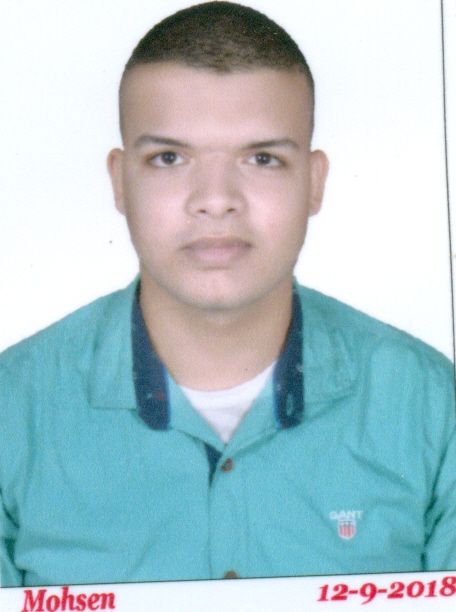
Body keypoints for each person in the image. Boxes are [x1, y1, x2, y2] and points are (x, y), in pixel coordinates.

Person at [1, 0, 455, 588]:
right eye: (169, 158)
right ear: (119, 181)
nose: (216, 200)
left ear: (314, 182)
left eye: (262, 158)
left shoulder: (431, 407)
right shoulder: (13, 411)